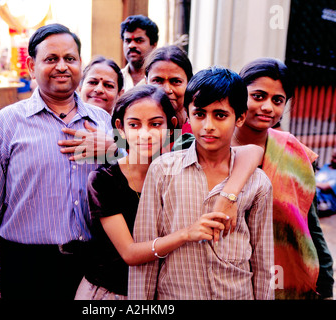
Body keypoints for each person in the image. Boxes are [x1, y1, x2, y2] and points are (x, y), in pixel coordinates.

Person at [0, 24, 113, 300]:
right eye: (51, 59)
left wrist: (115, 148)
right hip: (27, 268)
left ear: (81, 63)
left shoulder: (102, 121)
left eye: (70, 59)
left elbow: (138, 174)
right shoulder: (3, 126)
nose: (62, 67)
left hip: (91, 267)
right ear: (32, 66)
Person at [75, 84, 264, 300]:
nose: (145, 134)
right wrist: (186, 234)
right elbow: (130, 253)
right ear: (120, 127)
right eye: (134, 125)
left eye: (155, 124)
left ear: (171, 125)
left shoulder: (180, 166)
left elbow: (253, 150)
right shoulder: (104, 181)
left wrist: (229, 195)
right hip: (110, 293)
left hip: (162, 293)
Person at [129, 66, 275, 300]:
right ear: (187, 114)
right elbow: (147, 250)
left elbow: (263, 260)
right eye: (199, 114)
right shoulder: (163, 171)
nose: (208, 125)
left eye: (220, 115)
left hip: (236, 293)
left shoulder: (257, 183)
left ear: (239, 118)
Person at [233, 57, 334, 299]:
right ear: (237, 94)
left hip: (285, 281)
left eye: (277, 100)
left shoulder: (295, 153)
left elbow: (309, 225)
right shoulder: (213, 147)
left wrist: (326, 282)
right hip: (223, 279)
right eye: (258, 96)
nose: (268, 107)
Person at [144, 45, 193, 129]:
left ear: (189, 83)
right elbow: (120, 141)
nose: (166, 90)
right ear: (146, 82)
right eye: (157, 81)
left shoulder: (198, 130)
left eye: (176, 81)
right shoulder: (132, 123)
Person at [120, 15, 158, 91]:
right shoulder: (116, 78)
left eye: (139, 41)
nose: (131, 45)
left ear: (153, 45)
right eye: (128, 41)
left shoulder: (159, 80)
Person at [316, 147, 336, 217]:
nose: (334, 160)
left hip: (326, 203)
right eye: (333, 157)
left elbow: (325, 187)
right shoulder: (326, 166)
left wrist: (310, 183)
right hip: (315, 195)